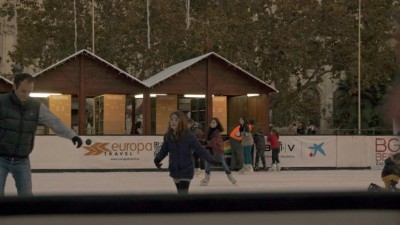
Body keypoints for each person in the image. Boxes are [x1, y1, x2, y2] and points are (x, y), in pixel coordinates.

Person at [0, 73, 83, 196]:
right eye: (23, 91)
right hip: (1, 158)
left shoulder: (36, 106)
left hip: (22, 160)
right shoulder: (2, 102)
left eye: (29, 92)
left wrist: (72, 135)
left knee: (26, 196)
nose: (26, 95)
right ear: (14, 86)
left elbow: (54, 121)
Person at [153, 111, 221, 195]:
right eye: (171, 119)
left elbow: (199, 149)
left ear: (182, 121)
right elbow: (164, 149)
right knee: (180, 193)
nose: (173, 121)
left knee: (183, 193)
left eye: (176, 119)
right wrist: (157, 159)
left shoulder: (188, 135)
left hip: (186, 169)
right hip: (174, 169)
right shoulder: (168, 136)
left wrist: (211, 160)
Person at [200, 117, 237, 186]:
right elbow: (203, 136)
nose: (212, 124)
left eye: (214, 122)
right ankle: (206, 178)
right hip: (209, 149)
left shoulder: (217, 132)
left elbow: (214, 142)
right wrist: (200, 140)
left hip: (217, 150)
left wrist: (205, 143)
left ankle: (230, 177)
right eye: (211, 122)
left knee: (223, 163)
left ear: (217, 124)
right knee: (207, 162)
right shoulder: (207, 129)